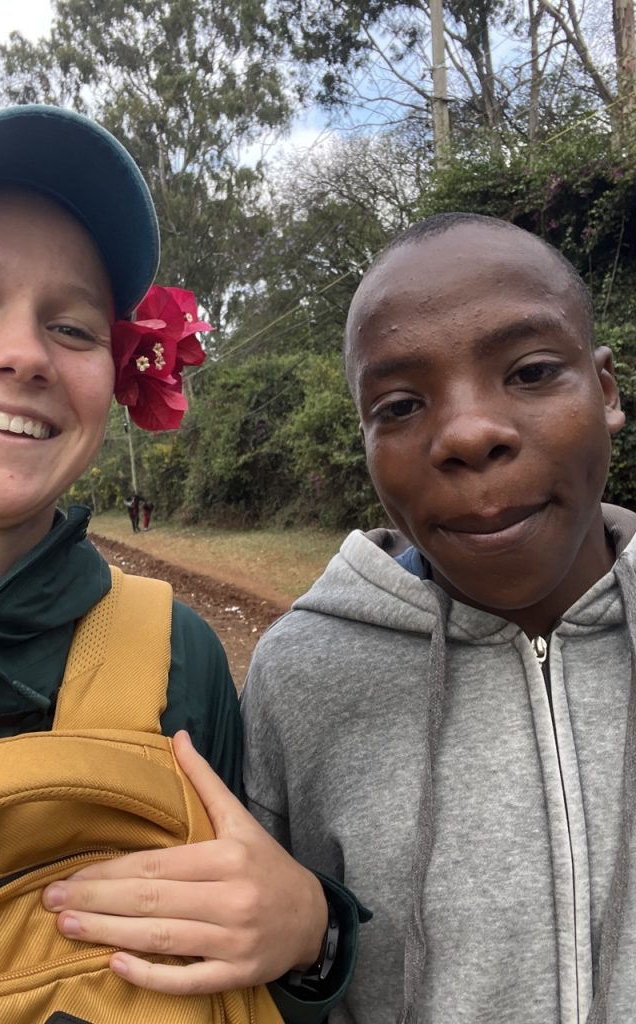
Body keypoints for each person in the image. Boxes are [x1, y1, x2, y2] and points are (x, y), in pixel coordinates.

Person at [0, 104, 353, 1020]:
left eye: (75, 328)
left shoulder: (180, 656)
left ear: (119, 374)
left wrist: (313, 937)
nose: (23, 355)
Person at [241, 211, 636, 1023]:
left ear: (605, 391)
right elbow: (261, 983)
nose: (468, 434)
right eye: (399, 406)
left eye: (530, 372)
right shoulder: (300, 677)